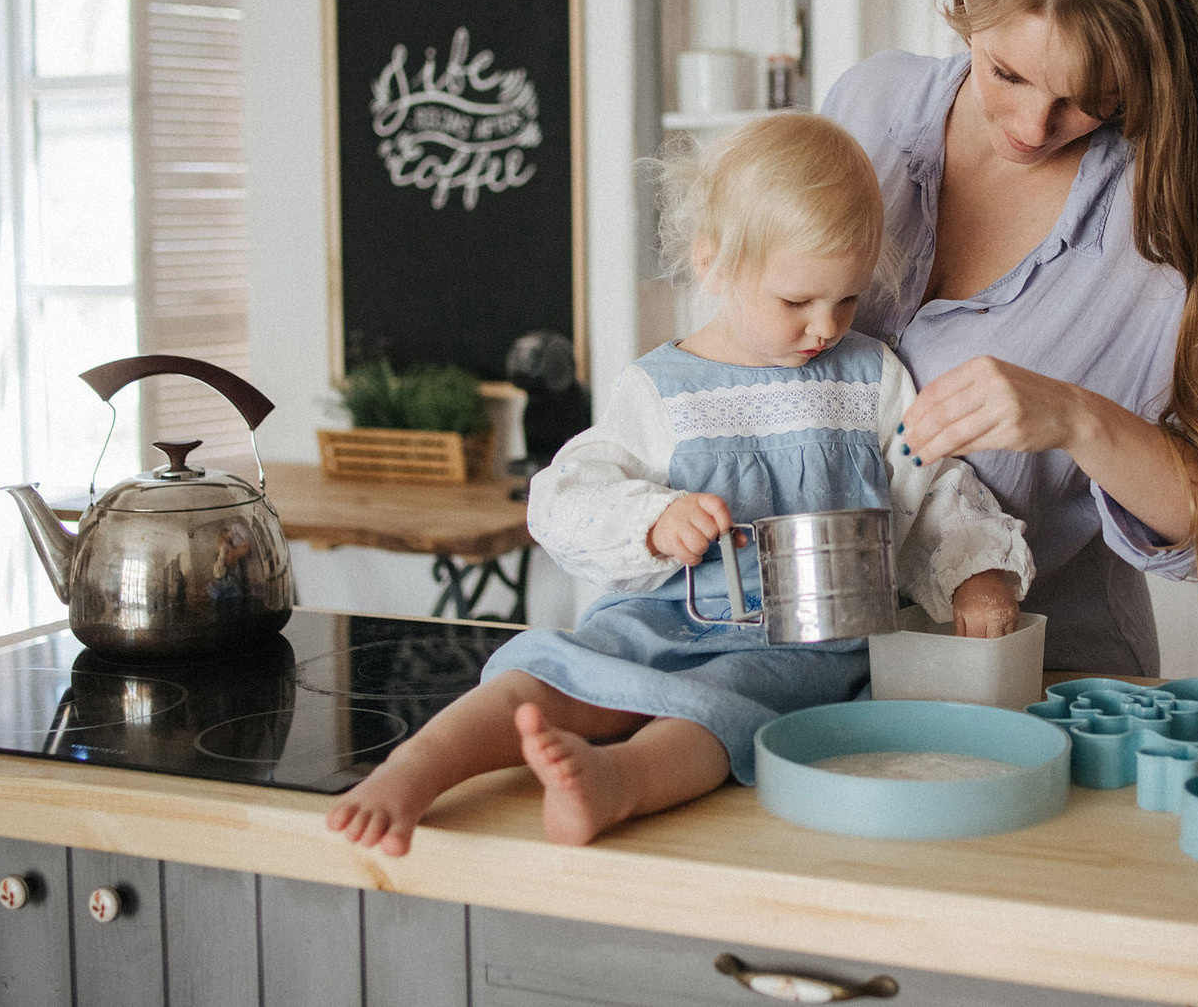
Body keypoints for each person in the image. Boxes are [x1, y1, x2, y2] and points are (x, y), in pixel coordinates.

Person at [329, 112, 1033, 853]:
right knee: (542, 672)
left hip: (798, 649)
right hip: (657, 620)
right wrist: (653, 520)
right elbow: (564, 495)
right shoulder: (661, 389)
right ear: (714, 263)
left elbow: (929, 487)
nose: (825, 327)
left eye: (848, 299)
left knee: (719, 718)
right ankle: (415, 767)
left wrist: (977, 571)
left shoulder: (870, 377)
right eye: (796, 301)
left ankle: (617, 782)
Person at [823, 0, 1198, 678]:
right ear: (969, 7)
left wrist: (1075, 418)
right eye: (1005, 73)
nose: (1030, 125)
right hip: (826, 676)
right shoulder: (869, 106)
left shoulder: (1158, 230)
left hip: (1051, 684)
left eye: (1087, 99)